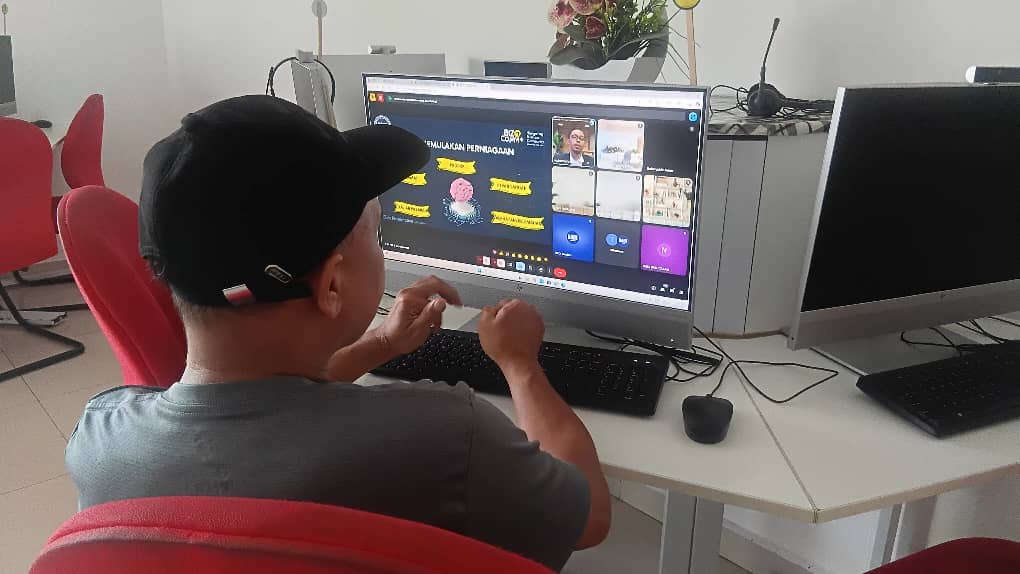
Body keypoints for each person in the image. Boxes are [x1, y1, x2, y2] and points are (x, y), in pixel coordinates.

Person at [64, 95, 610, 571]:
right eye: (375, 232)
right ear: (332, 285)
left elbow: (258, 412)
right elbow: (589, 518)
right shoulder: (447, 437)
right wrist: (519, 363)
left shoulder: (98, 438)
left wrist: (382, 346)